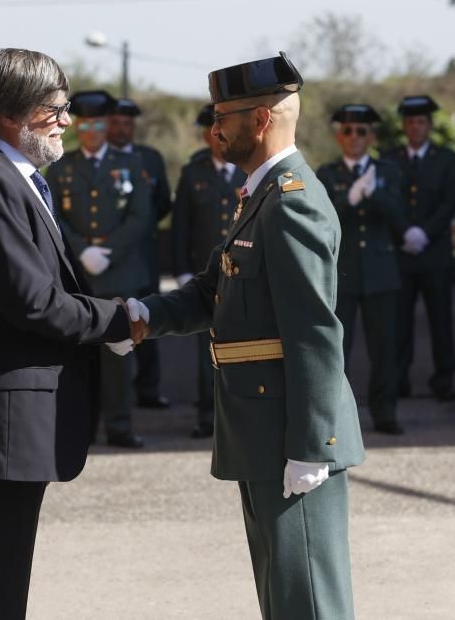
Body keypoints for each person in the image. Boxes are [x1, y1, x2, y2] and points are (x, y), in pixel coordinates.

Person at [123, 52, 364, 620]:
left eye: (224, 116)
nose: (214, 129)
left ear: (260, 120)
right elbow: (213, 290)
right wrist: (138, 317)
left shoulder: (291, 203)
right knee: (283, 596)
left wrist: (312, 447)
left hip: (289, 435)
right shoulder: (260, 196)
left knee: (308, 601)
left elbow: (314, 334)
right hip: (261, 429)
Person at [0, 48, 139, 619]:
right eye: (55, 108)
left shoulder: (9, 179)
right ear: (9, 115)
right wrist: (118, 320)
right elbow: (34, 302)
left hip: (6, 432)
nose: (67, 120)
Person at [45, 90, 151, 448]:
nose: (91, 131)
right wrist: (81, 249)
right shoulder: (62, 166)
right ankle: (80, 426)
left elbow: (141, 216)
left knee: (119, 353)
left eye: (97, 124)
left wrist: (108, 251)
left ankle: (119, 425)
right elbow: (53, 216)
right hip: (78, 273)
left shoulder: (132, 164)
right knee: (78, 353)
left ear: (107, 126)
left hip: (119, 271)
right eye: (85, 124)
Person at [318, 103, 407, 434]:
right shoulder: (326, 174)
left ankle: (385, 411)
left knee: (385, 349)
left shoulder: (389, 171)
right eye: (346, 130)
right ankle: (337, 416)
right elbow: (322, 221)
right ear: (339, 136)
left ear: (372, 135)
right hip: (343, 275)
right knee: (338, 350)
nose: (354, 137)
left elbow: (400, 216)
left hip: (381, 273)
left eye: (361, 131)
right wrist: (349, 200)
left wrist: (375, 195)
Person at [171, 104, 246, 438]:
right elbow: (180, 227)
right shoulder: (193, 173)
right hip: (205, 275)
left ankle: (239, 412)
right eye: (213, 128)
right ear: (206, 134)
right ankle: (207, 416)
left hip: (243, 274)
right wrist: (182, 271)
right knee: (207, 352)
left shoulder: (248, 169)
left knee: (243, 346)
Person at [384, 95, 455, 402]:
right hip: (401, 252)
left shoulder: (447, 159)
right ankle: (399, 379)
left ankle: (444, 380)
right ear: (404, 125)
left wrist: (423, 233)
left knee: (441, 319)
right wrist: (404, 231)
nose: (416, 127)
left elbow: (449, 203)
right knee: (400, 322)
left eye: (421, 122)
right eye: (411, 122)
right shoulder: (389, 158)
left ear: (430, 125)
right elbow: (387, 200)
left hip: (435, 252)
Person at [107, 98, 173, 410]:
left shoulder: (150, 158)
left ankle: (148, 389)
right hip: (109, 257)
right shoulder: (99, 160)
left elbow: (162, 202)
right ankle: (111, 397)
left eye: (127, 124)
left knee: (148, 319)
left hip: (144, 255)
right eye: (116, 123)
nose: (122, 129)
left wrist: (141, 227)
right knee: (112, 324)